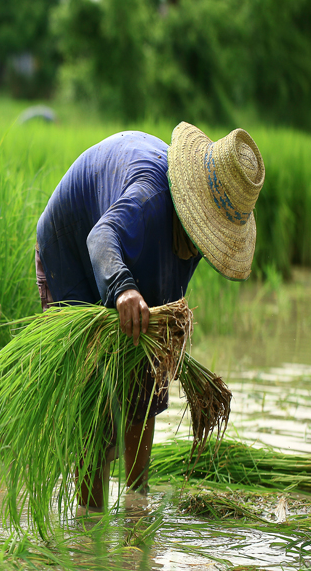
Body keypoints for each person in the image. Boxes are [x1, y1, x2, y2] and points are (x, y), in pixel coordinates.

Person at [35, 122, 265, 514]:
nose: (204, 248)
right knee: (94, 400)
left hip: (120, 246)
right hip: (71, 246)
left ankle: (135, 506)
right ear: (190, 206)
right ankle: (90, 524)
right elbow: (100, 237)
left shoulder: (192, 240)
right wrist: (124, 288)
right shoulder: (150, 195)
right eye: (205, 234)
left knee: (146, 379)